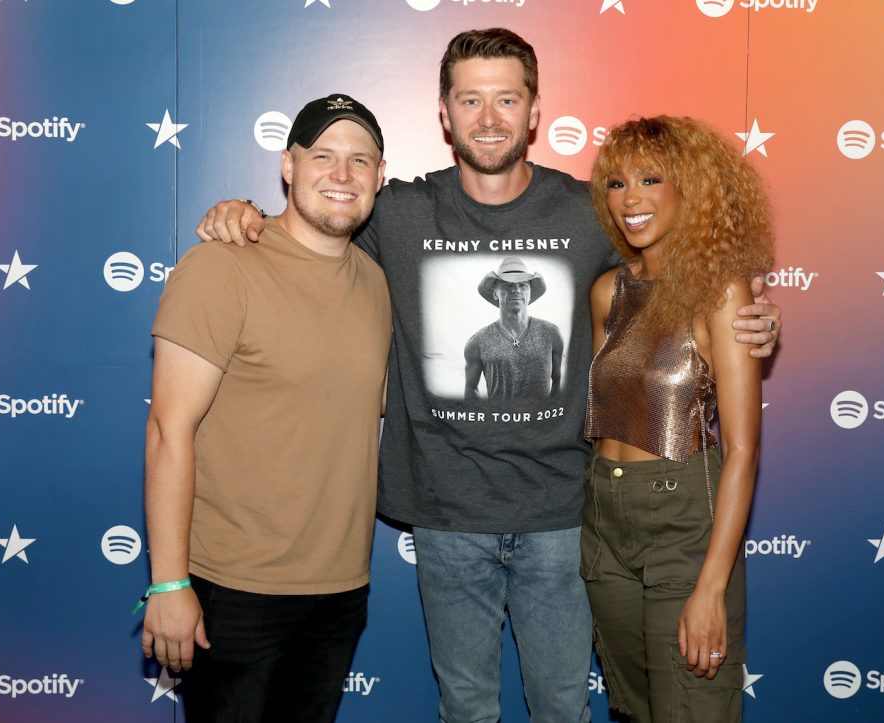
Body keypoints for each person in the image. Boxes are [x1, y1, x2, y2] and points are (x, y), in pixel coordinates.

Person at [195, 29, 780, 723]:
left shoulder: (589, 210)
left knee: (565, 707)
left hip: (565, 517)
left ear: (535, 111)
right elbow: (319, 221)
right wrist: (246, 215)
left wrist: (751, 316)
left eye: (507, 98)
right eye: (470, 99)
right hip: (448, 519)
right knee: (466, 710)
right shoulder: (400, 210)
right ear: (444, 113)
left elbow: (674, 255)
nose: (489, 117)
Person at [139, 94, 390, 723]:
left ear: (380, 178)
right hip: (234, 590)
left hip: (339, 592)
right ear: (288, 165)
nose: (342, 174)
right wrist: (169, 583)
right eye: (323, 156)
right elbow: (170, 430)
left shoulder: (376, 281)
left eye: (360, 160)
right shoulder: (221, 267)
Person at [582, 116, 773, 722]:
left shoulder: (723, 293)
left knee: (692, 708)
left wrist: (712, 586)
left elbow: (742, 450)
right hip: (603, 524)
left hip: (684, 522)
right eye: (615, 182)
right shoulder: (606, 291)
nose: (629, 198)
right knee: (636, 710)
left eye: (649, 178)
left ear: (689, 188)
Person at [465, 257, 564, 400]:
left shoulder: (551, 334)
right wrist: (487, 419)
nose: (516, 290)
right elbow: (470, 388)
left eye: (523, 285)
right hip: (499, 421)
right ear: (495, 294)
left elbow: (558, 383)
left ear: (530, 294)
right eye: (507, 285)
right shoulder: (477, 342)